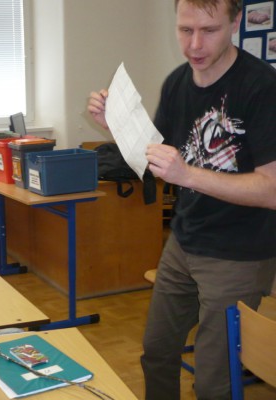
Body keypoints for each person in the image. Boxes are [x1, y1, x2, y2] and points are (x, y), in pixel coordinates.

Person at [87, 0, 276, 398]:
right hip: (184, 241)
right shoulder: (177, 82)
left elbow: (271, 189)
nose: (194, 45)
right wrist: (114, 125)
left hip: (238, 253)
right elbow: (154, 156)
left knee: (212, 380)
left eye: (209, 30)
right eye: (185, 30)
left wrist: (187, 175)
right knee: (157, 353)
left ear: (235, 23)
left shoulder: (262, 87)